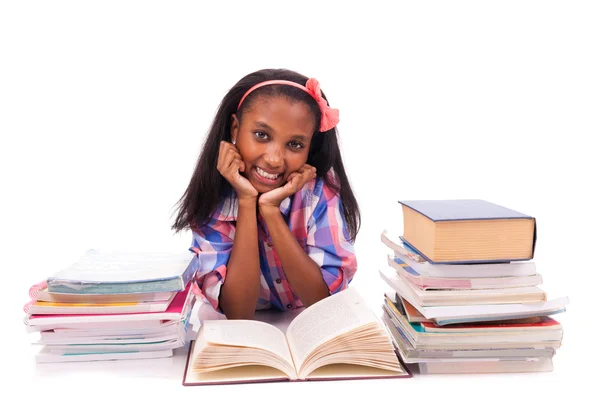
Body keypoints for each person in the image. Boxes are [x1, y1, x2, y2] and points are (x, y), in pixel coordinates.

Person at [172, 68, 360, 319]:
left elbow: (324, 304)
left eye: (295, 144)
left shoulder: (318, 192)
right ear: (235, 129)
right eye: (261, 135)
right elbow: (238, 312)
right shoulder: (214, 195)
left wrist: (270, 210)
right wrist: (247, 202)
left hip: (306, 330)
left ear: (309, 149)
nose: (274, 159)